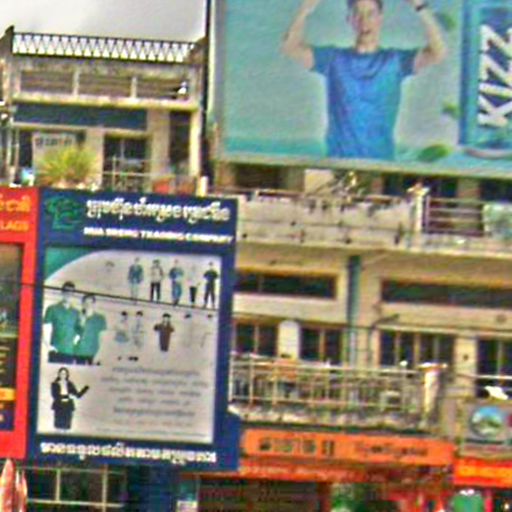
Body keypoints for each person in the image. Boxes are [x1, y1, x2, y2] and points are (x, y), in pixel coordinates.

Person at [282, 0, 447, 160]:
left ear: (380, 18)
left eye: (370, 14)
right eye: (357, 14)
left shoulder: (395, 61)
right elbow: (291, 47)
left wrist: (420, 7)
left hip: (381, 166)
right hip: (339, 165)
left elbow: (438, 52)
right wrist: (306, 9)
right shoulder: (333, 59)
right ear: (349, 19)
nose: (364, 21)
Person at [43, 281, 80, 364]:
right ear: (62, 292)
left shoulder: (76, 313)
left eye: (71, 292)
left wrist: (74, 346)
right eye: (66, 291)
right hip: (56, 351)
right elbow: (45, 330)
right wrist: (49, 347)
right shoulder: (52, 309)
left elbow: (79, 332)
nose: (68, 294)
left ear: (73, 294)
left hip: (70, 353)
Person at [74, 294, 107, 365]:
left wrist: (99, 354)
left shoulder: (100, 318)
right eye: (86, 303)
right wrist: (82, 323)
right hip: (79, 353)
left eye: (91, 303)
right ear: (83, 304)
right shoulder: (78, 317)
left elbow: (102, 338)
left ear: (94, 304)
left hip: (94, 353)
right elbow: (75, 337)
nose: (88, 305)